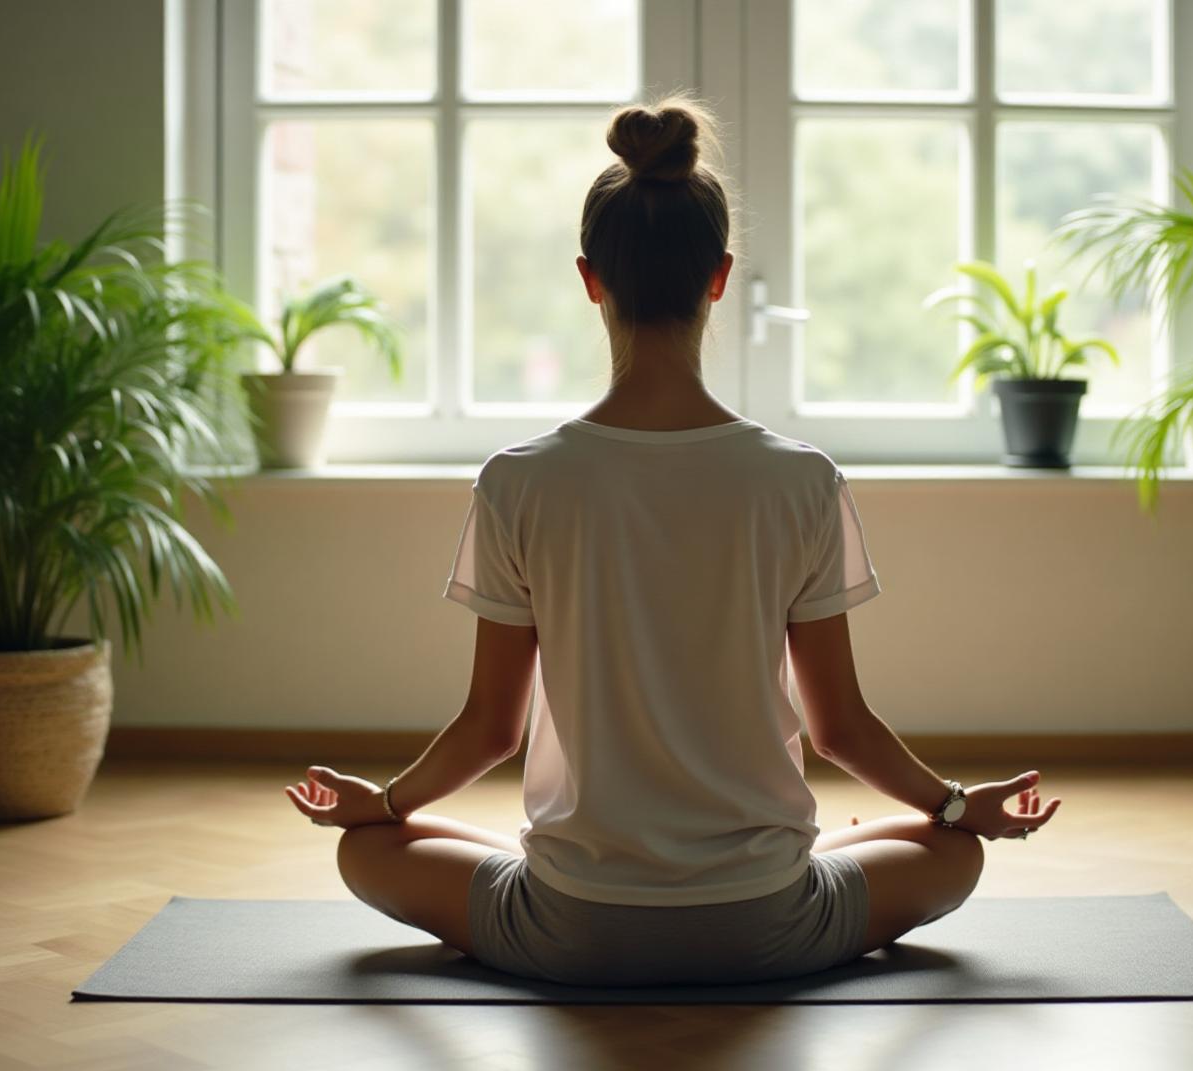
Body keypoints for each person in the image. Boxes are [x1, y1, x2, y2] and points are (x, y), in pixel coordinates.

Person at [284, 95, 1062, 987]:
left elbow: (490, 731)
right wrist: (965, 805)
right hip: (768, 922)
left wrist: (379, 803)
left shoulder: (519, 481)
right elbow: (839, 729)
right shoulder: (801, 479)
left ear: (590, 278)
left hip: (570, 930)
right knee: (950, 849)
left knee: (373, 847)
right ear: (720, 276)